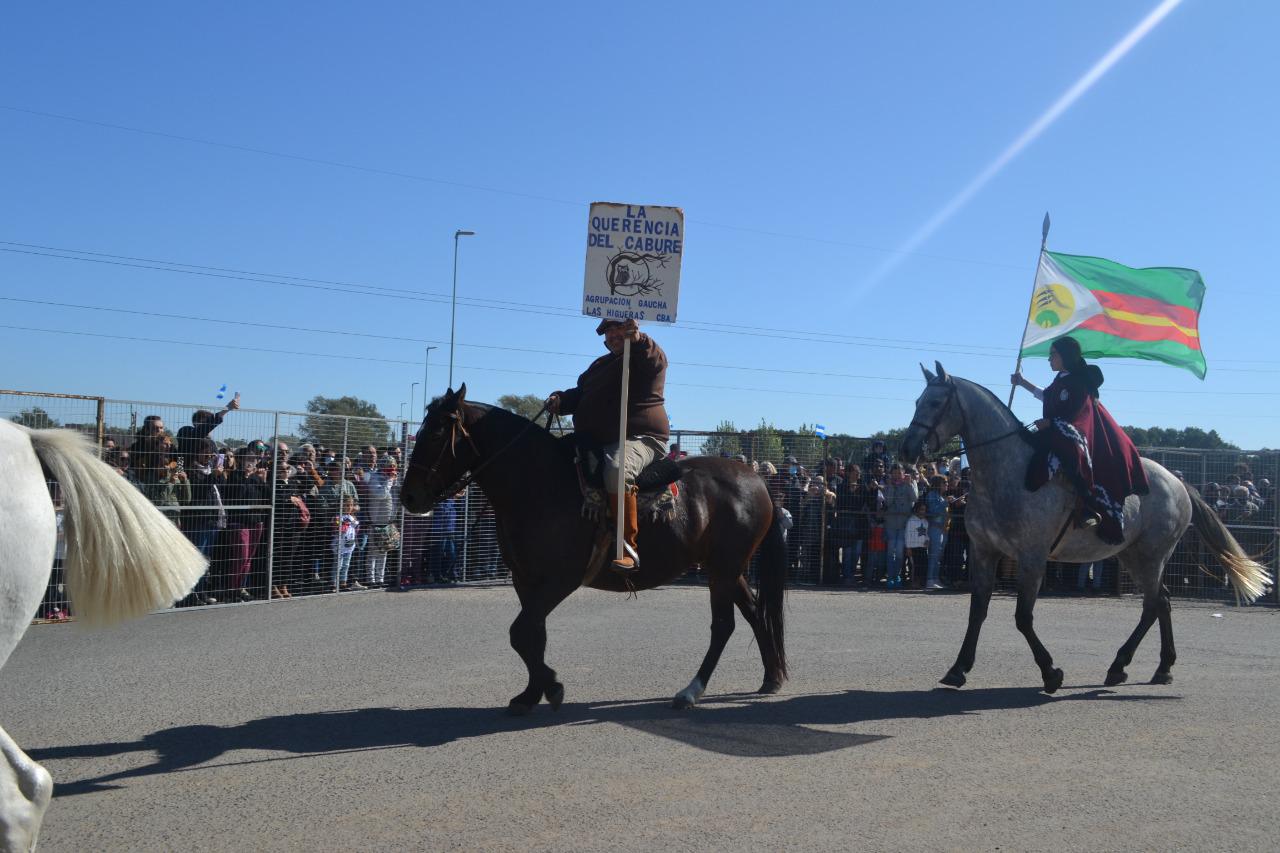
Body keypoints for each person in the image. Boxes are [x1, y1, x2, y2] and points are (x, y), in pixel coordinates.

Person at [546, 317, 668, 574]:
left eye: (617, 329)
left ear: (630, 329)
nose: (612, 335)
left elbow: (655, 362)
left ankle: (628, 550)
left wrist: (639, 340)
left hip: (641, 438)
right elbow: (580, 394)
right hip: (596, 440)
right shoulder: (600, 365)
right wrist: (561, 399)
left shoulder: (644, 355)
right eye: (608, 332)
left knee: (616, 468)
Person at [1012, 335, 1150, 544]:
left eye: (1053, 355)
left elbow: (1079, 415)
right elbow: (1048, 397)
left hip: (1080, 434)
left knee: (1068, 455)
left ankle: (1087, 505)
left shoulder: (1077, 382)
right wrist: (1022, 383)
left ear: (1065, 356)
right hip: (1059, 430)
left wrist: (1051, 424)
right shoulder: (1061, 379)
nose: (1049, 359)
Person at [177, 393, 241, 468]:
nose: (211, 427)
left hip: (208, 477)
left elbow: (216, 464)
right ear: (196, 423)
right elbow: (180, 458)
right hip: (186, 474)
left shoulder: (211, 443)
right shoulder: (186, 432)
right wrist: (227, 408)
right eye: (208, 423)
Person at [882, 462, 918, 590]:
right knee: (891, 551)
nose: (897, 475)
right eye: (894, 473)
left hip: (904, 524)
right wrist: (891, 486)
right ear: (891, 474)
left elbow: (915, 499)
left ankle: (896, 576)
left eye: (899, 473)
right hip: (891, 523)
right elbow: (888, 501)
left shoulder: (908, 485)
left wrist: (909, 484)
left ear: (903, 473)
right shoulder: (887, 486)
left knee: (899, 552)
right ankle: (890, 577)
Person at [332, 496, 361, 592]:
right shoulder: (338, 517)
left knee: (346, 564)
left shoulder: (353, 517)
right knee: (338, 564)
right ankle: (334, 583)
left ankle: (343, 582)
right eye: (347, 505)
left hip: (349, 545)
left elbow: (356, 530)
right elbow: (337, 528)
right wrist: (343, 524)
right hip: (340, 545)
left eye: (351, 505)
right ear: (342, 505)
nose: (349, 507)